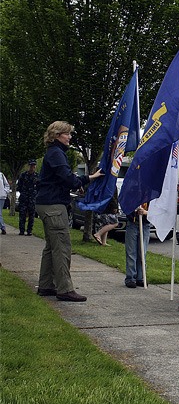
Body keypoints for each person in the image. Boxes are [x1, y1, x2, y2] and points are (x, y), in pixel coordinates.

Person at [36, 121, 103, 301]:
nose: (70, 137)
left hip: (46, 204)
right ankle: (64, 289)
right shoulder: (57, 153)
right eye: (68, 134)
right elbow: (68, 178)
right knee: (62, 247)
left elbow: (61, 179)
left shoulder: (53, 152)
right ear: (57, 135)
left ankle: (46, 285)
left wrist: (75, 184)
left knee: (51, 247)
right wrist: (89, 177)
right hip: (53, 207)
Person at [124, 203, 150, 288]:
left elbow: (156, 211)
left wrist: (145, 212)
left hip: (145, 224)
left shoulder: (151, 195)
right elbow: (125, 204)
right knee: (131, 252)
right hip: (132, 223)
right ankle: (130, 278)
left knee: (142, 252)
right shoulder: (132, 192)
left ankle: (141, 277)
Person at [17, 160, 39, 236]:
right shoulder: (23, 175)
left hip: (32, 198)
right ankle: (21, 230)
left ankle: (29, 230)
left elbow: (39, 187)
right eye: (31, 165)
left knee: (31, 215)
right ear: (28, 166)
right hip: (24, 198)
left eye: (34, 166)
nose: (32, 167)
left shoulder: (37, 176)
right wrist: (23, 193)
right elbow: (19, 186)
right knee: (22, 214)